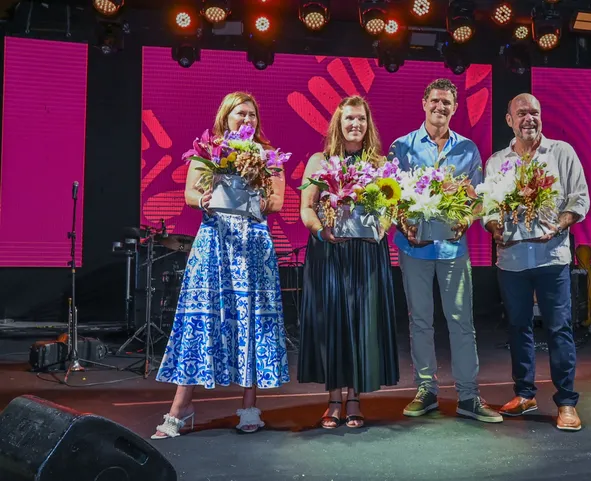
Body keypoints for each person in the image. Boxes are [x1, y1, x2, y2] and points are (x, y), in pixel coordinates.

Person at [152, 91, 290, 439]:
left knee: (252, 321)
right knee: (202, 319)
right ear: (225, 118)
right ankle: (181, 408)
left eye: (252, 115)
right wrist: (205, 198)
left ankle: (248, 406)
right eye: (240, 114)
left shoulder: (269, 156)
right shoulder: (208, 151)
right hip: (215, 240)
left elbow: (277, 201)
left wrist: (257, 189)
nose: (247, 120)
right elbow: (189, 194)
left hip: (253, 244)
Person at [389, 78, 502, 424]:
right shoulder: (402, 147)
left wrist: (467, 221)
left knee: (461, 322)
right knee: (420, 321)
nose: (440, 107)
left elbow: (480, 199)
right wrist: (404, 225)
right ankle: (427, 390)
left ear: (455, 108)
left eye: (447, 103)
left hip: (453, 248)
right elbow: (389, 196)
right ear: (424, 102)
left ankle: (468, 395)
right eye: (435, 101)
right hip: (415, 247)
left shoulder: (467, 150)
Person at [482, 93, 590, 431]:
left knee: (559, 329)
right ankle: (525, 394)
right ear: (509, 120)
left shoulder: (562, 153)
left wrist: (559, 224)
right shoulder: (497, 161)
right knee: (518, 328)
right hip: (512, 259)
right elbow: (487, 206)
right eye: (522, 113)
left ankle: (567, 402)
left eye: (535, 113)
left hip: (551, 257)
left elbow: (580, 197)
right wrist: (493, 225)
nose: (529, 118)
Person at [297, 95, 399, 429]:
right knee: (332, 325)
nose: (355, 125)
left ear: (368, 125)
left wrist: (381, 230)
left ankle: (354, 398)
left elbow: (392, 209)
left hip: (367, 254)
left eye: (361, 119)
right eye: (349, 119)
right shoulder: (319, 161)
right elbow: (306, 208)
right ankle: (333, 400)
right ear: (338, 125)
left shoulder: (380, 163)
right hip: (330, 252)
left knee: (361, 325)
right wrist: (321, 232)